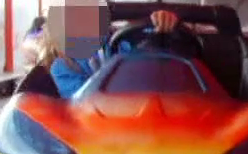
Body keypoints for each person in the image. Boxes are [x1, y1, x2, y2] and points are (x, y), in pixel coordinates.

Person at [50, 10, 180, 98]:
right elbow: (84, 102)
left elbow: (151, 51)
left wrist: (163, 23)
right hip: (101, 122)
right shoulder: (63, 67)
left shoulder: (124, 39)